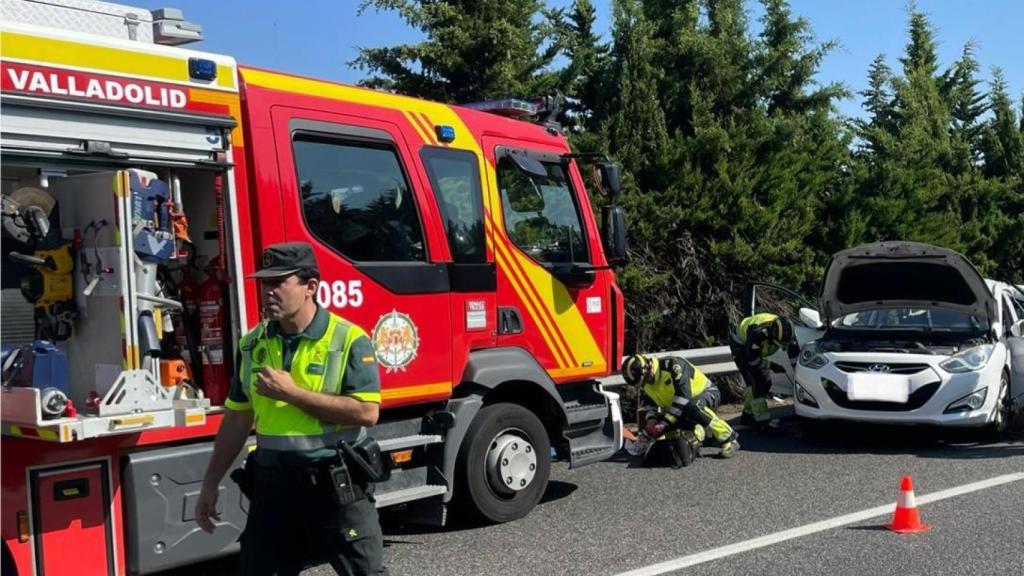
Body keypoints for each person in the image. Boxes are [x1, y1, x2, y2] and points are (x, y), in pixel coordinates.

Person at [194, 242, 389, 576]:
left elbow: (366, 413)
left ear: (310, 286)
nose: (267, 291)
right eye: (264, 283)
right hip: (273, 489)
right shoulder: (252, 343)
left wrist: (293, 394)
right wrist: (210, 483)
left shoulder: (348, 339)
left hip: (335, 485)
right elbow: (238, 419)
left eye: (277, 283)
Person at [622, 353, 739, 467]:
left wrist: (664, 423)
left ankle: (729, 438)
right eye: (641, 384)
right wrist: (651, 420)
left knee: (692, 407)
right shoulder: (646, 382)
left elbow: (683, 397)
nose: (645, 385)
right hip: (680, 409)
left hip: (706, 395)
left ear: (648, 367)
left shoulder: (673, 365)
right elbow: (650, 406)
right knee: (673, 435)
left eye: (645, 380)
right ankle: (703, 433)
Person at [729, 313, 795, 426]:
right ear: (770, 334)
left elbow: (794, 355)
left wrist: (797, 372)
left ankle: (747, 416)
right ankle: (762, 421)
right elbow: (752, 360)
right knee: (757, 383)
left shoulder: (789, 333)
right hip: (741, 346)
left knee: (764, 382)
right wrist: (772, 366)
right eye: (778, 344)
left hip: (753, 350)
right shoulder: (758, 333)